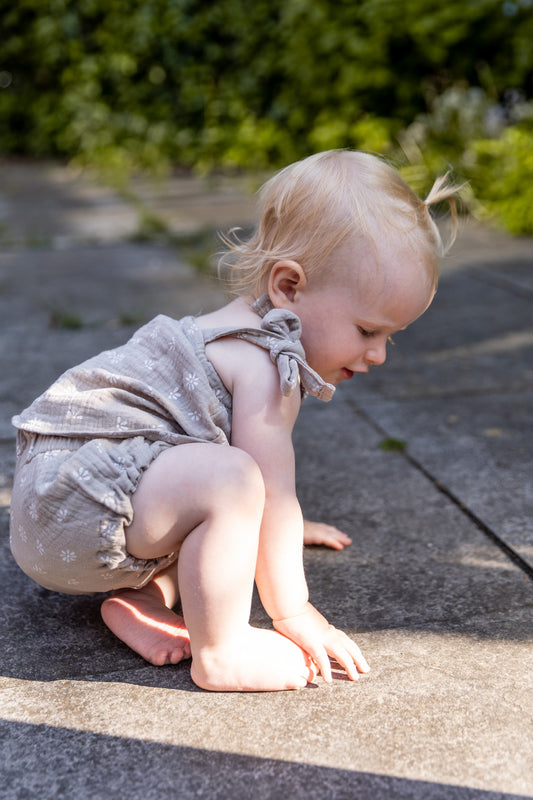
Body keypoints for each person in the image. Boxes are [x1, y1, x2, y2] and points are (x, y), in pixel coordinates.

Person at [9, 150, 459, 692]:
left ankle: (142, 601)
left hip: (61, 513)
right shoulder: (265, 365)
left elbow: (255, 501)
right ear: (288, 287)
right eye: (367, 331)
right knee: (235, 481)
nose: (379, 353)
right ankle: (221, 652)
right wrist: (293, 611)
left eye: (391, 336)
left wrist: (268, 527)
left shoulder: (235, 329)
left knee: (228, 515)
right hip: (81, 507)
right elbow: (269, 490)